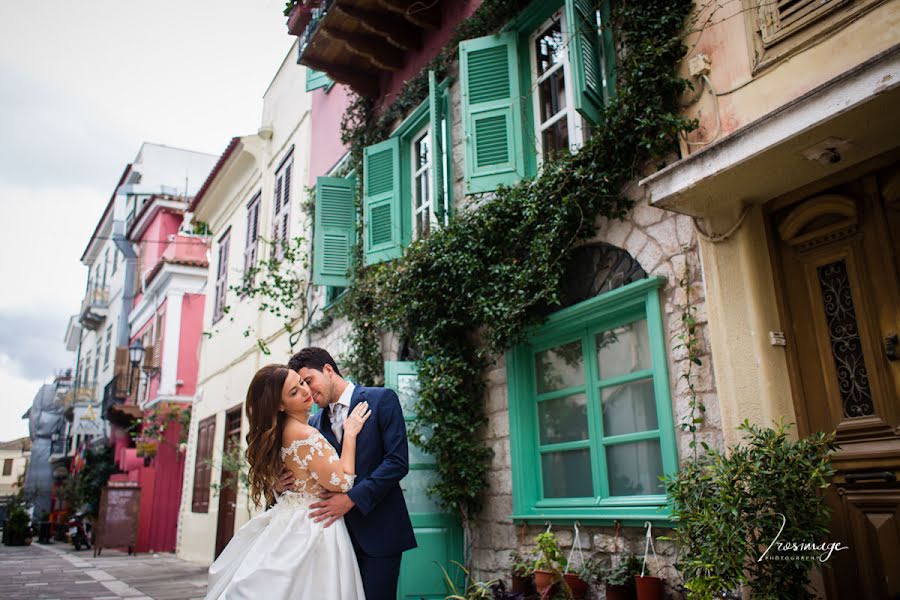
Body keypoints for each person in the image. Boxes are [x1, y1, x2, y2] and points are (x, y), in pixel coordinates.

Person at [205, 364, 370, 599]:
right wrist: (350, 433)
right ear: (280, 405)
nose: (305, 391)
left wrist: (277, 484)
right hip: (315, 523)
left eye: (302, 382)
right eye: (294, 392)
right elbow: (343, 483)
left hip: (289, 520)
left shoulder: (280, 433)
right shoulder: (306, 435)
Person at [286, 347, 417, 600]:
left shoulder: (381, 400)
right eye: (301, 386)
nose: (307, 391)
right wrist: (285, 482)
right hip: (334, 539)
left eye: (309, 381)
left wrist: (351, 499)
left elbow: (396, 462)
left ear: (328, 369)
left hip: (380, 532)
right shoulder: (312, 425)